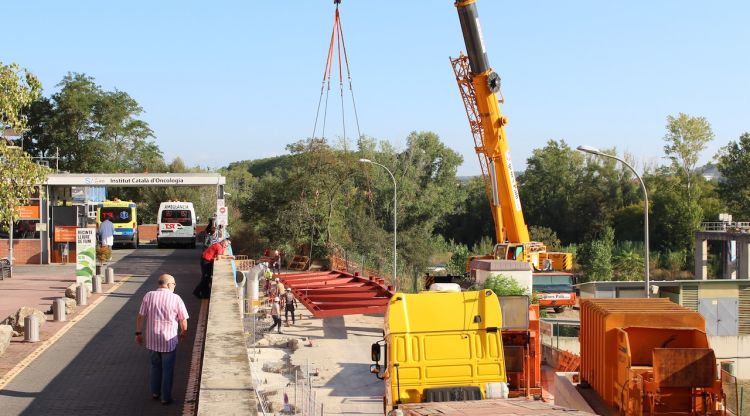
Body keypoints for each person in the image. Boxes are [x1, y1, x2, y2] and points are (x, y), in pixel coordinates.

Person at [135, 274, 189, 405]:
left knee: (155, 367)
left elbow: (140, 316)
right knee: (168, 369)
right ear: (169, 285)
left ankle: (155, 393)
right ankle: (166, 398)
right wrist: (183, 332)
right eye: (174, 284)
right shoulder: (176, 298)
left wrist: (138, 333)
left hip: (152, 339)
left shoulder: (149, 295)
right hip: (168, 341)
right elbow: (183, 319)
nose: (175, 287)